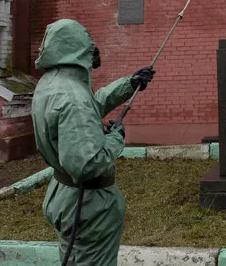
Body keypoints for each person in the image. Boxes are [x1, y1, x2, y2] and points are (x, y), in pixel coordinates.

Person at [31, 19, 154, 265]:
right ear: (77, 50)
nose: (92, 57)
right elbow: (87, 165)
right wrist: (115, 138)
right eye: (90, 51)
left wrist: (128, 85)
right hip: (88, 205)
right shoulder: (72, 96)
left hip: (65, 193)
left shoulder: (51, 84)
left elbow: (90, 106)